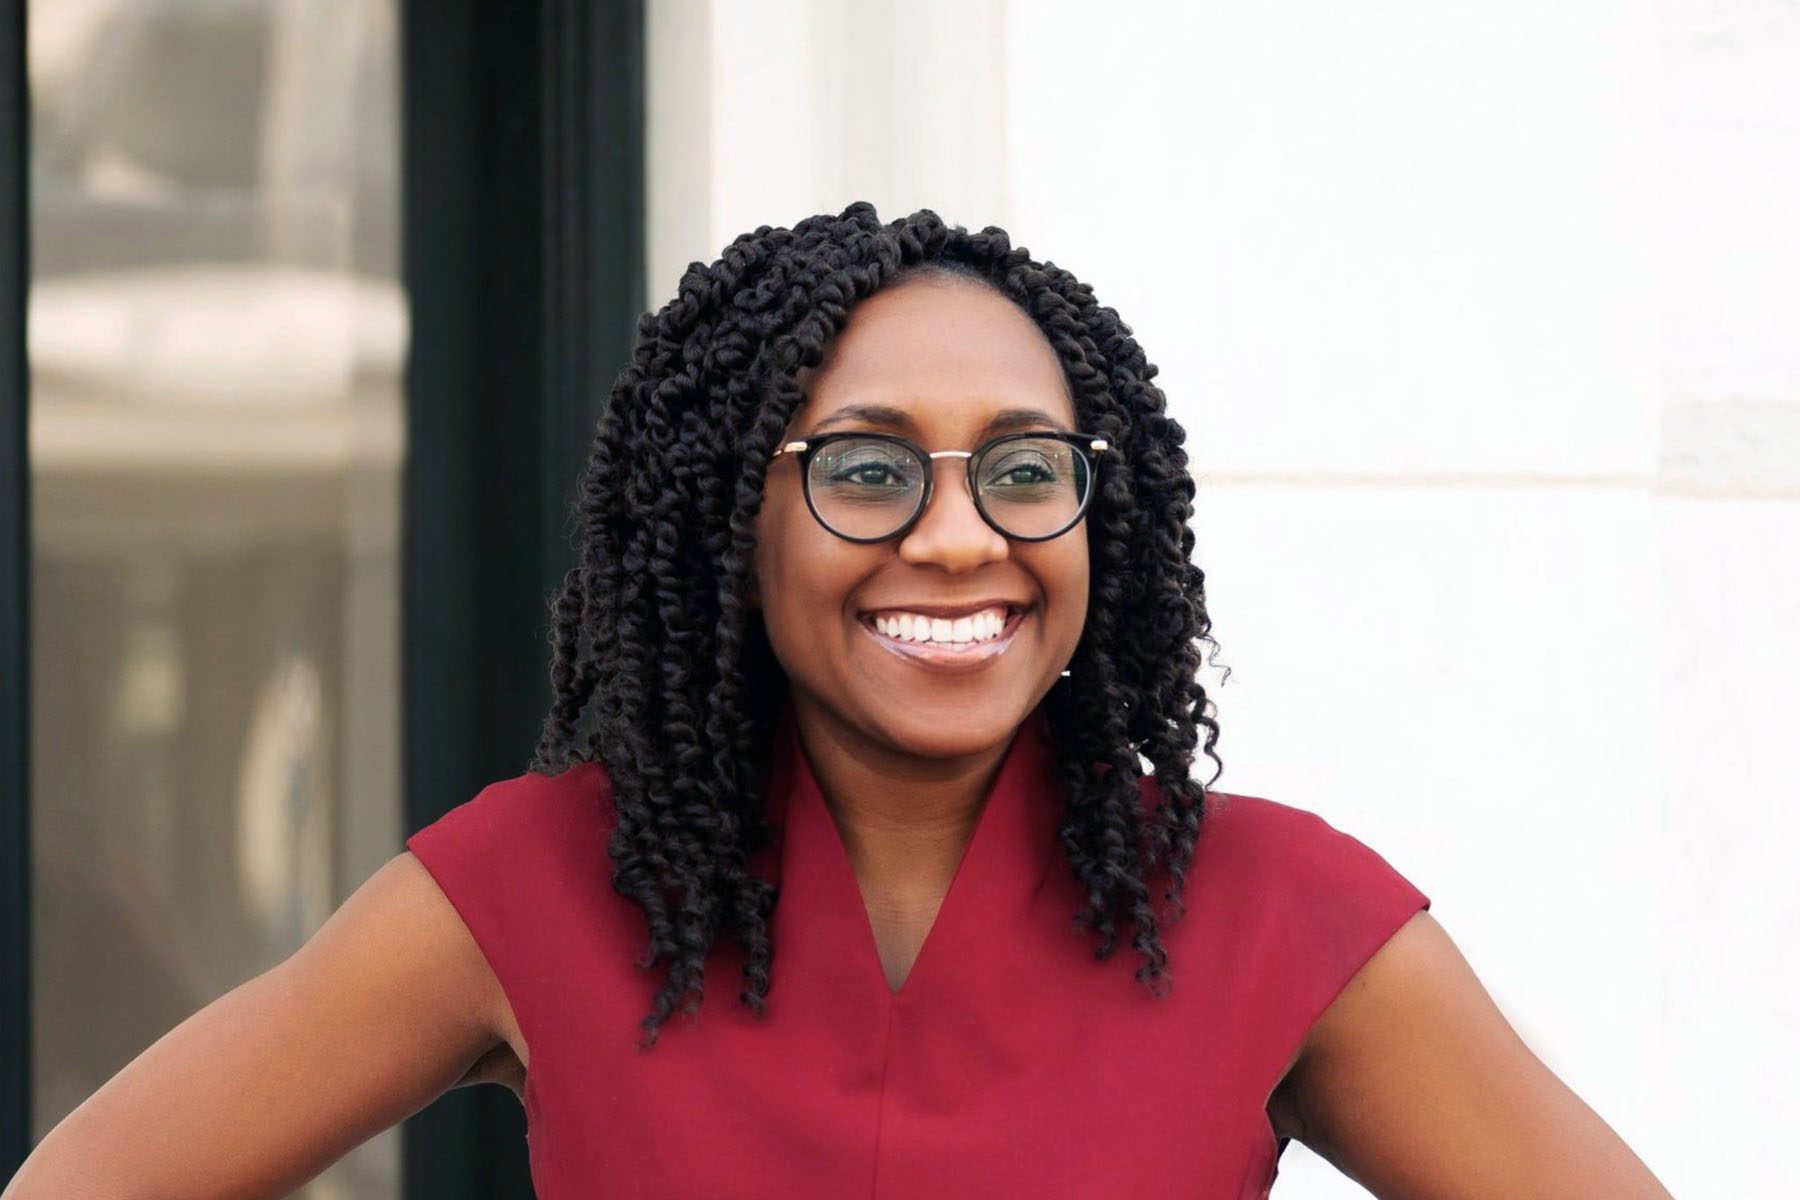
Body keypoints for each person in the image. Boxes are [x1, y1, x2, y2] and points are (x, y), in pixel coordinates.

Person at [4, 204, 1674, 1198]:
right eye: (867, 471)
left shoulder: (1283, 918)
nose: (959, 539)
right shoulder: (531, 890)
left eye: (1028, 472)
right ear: (731, 509)